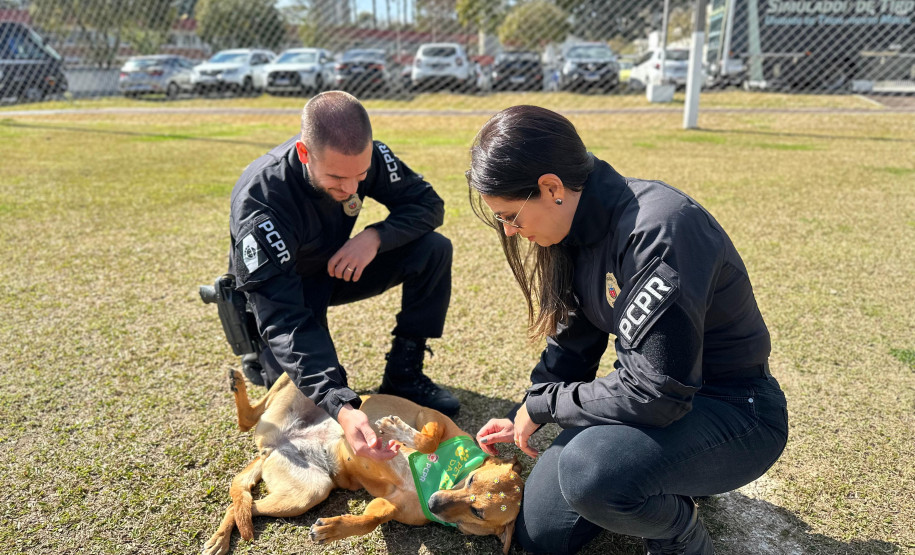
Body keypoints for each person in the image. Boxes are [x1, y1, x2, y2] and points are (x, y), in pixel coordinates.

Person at [467, 106, 788, 554]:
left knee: (590, 474)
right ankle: (662, 478)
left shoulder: (659, 230)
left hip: (734, 410)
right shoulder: (573, 227)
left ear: (552, 188)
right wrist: (527, 404)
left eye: (511, 216)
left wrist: (545, 405)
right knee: (542, 535)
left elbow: (657, 392)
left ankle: (681, 534)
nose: (510, 231)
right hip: (652, 403)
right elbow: (573, 346)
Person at [227, 91, 459, 462]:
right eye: (336, 177)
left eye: (361, 177)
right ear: (304, 153)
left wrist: (375, 236)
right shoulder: (263, 200)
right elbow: (284, 317)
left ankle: (404, 373)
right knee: (302, 413)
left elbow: (428, 204)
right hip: (283, 291)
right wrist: (341, 403)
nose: (351, 189)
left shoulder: (366, 156)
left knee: (433, 248)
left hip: (333, 268)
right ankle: (260, 353)